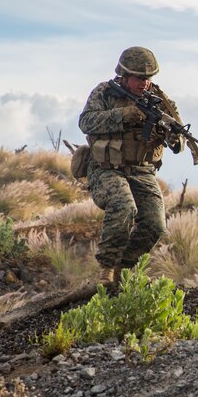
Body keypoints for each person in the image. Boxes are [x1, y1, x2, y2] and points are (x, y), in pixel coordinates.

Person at [78, 46, 186, 284]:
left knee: (155, 225)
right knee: (124, 207)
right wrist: (123, 115)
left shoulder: (162, 102)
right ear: (125, 75)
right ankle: (106, 269)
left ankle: (123, 269)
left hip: (142, 170)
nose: (144, 83)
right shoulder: (105, 93)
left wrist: (171, 136)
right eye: (139, 78)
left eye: (148, 78)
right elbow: (85, 122)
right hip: (106, 168)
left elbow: (180, 142)